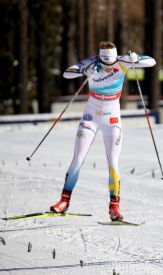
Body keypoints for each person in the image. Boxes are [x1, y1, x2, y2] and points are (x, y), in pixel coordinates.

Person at [50, 41, 156, 221]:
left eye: (110, 62)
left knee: (113, 163)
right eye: (104, 62)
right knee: (77, 160)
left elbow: (151, 62)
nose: (108, 65)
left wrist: (136, 58)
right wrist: (84, 71)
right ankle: (64, 201)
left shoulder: (122, 61)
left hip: (112, 119)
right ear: (100, 57)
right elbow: (67, 73)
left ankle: (114, 206)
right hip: (90, 118)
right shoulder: (91, 62)